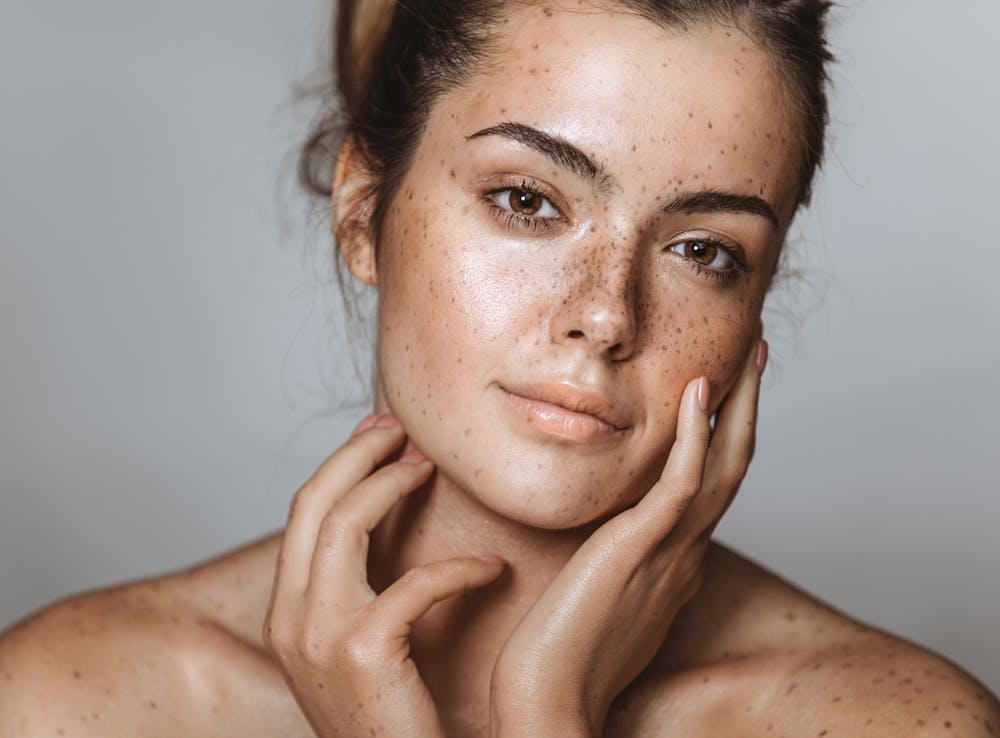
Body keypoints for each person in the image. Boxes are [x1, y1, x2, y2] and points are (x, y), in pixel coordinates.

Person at [1, 1, 997, 735]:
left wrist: (546, 720)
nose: (605, 315)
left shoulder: (894, 721)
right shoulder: (67, 702)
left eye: (704, 250)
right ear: (362, 211)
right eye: (528, 201)